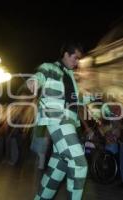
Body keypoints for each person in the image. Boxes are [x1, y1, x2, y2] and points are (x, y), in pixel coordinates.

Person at [27, 41, 89, 200]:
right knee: (79, 163)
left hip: (69, 123)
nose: (77, 62)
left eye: (78, 59)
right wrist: (33, 81)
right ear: (66, 55)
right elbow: (40, 75)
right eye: (75, 58)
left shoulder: (71, 77)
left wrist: (102, 102)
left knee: (57, 170)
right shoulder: (50, 67)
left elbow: (77, 99)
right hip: (58, 119)